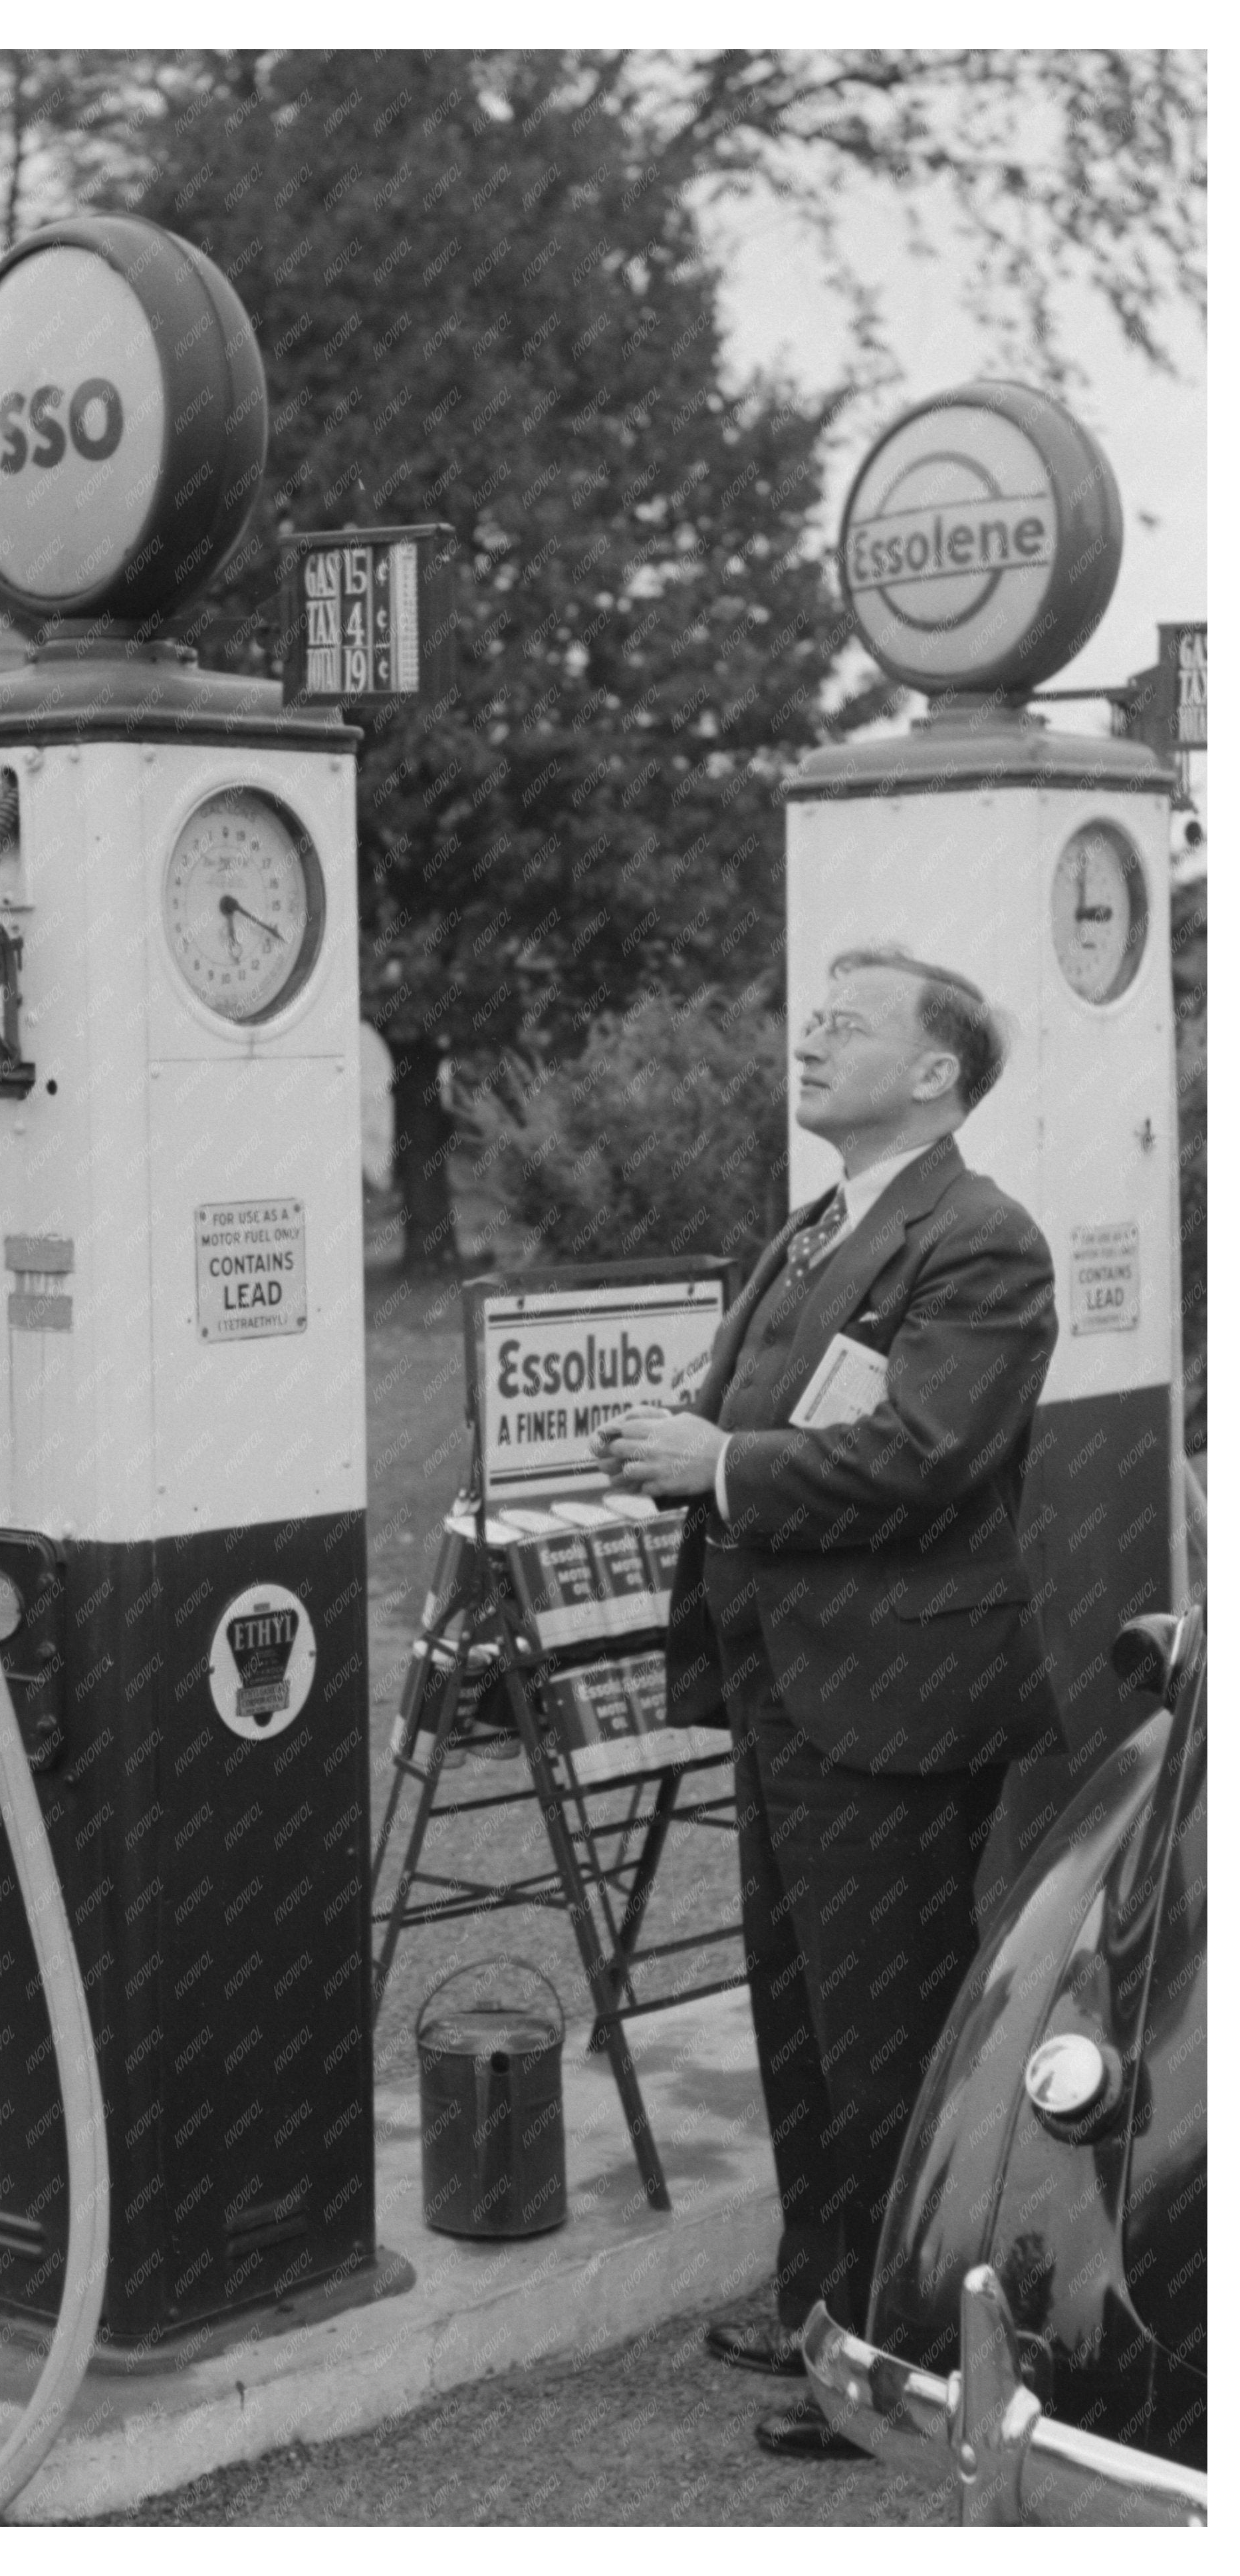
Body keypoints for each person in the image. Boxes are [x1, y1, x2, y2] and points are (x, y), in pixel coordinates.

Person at [596, 946, 1062, 2461]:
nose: (810, 1042)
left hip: (898, 1699)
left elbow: (929, 1453)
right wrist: (697, 1427)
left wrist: (713, 1463)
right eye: (814, 1019)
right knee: (799, 2021)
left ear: (935, 1073)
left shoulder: (980, 1240)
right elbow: (790, 1407)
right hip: (795, 1688)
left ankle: (904, 2354)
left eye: (847, 1026)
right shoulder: (814, 1227)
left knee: (886, 2032)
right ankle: (821, 2300)